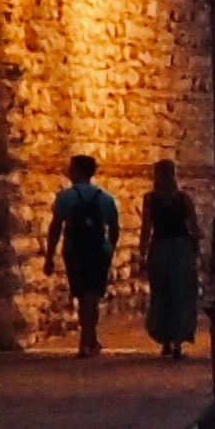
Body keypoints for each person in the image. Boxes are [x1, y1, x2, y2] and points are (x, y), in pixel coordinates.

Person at [45, 151, 120, 358]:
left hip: (74, 250)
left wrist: (49, 255)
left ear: (77, 171)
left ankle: (85, 341)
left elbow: (56, 227)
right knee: (92, 297)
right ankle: (90, 338)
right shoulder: (106, 198)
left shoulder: (65, 197)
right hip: (98, 251)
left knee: (81, 294)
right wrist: (110, 249)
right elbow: (114, 227)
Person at [139, 159, 199, 351]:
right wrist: (195, 248)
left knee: (161, 292)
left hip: (160, 247)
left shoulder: (151, 199)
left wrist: (142, 253)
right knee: (180, 293)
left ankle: (164, 337)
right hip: (181, 248)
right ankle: (178, 339)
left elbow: (146, 228)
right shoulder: (183, 199)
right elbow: (194, 226)